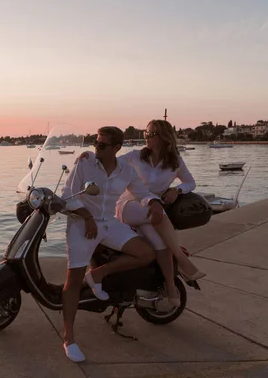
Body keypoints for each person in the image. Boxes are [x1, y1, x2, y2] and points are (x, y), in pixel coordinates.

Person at [61, 126, 162, 363]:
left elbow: (141, 191)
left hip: (109, 223)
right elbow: (68, 194)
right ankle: (69, 338)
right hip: (81, 223)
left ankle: (97, 275)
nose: (97, 148)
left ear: (117, 147)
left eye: (103, 145)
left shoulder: (126, 170)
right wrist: (86, 217)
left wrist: (154, 202)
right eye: (96, 143)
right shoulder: (85, 163)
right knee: (73, 279)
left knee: (146, 253)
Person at [80, 119, 206, 308]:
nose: (146, 137)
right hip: (128, 206)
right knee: (158, 212)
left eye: (151, 134)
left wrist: (176, 190)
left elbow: (190, 182)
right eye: (145, 133)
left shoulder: (175, 161)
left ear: (164, 137)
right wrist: (89, 157)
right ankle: (181, 259)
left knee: (159, 242)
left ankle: (170, 287)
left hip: (151, 209)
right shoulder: (136, 156)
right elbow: (109, 159)